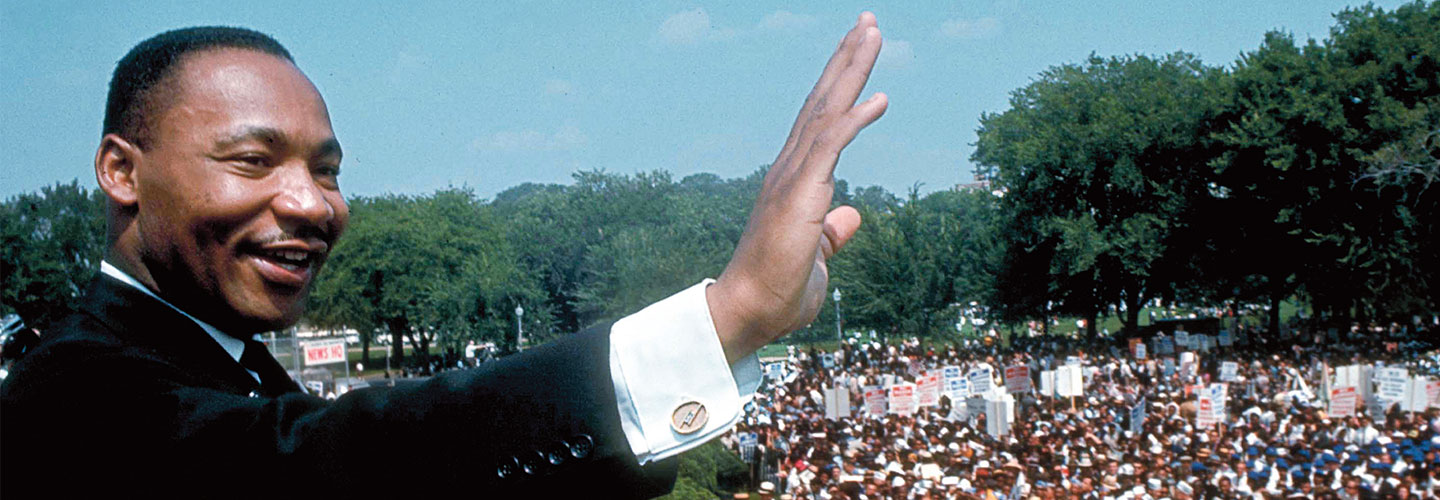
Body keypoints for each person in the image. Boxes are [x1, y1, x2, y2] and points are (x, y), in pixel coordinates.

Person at [0, 13, 887, 499]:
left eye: (328, 170)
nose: (310, 204)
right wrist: (724, 316)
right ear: (121, 169)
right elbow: (334, 467)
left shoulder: (228, 371)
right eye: (252, 160)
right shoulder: (71, 393)